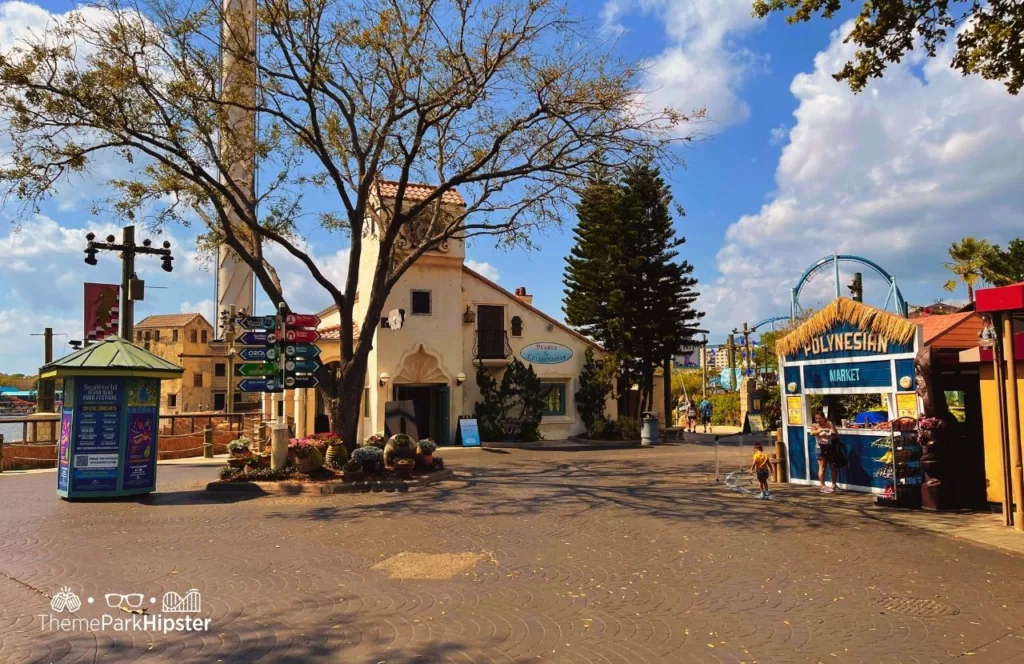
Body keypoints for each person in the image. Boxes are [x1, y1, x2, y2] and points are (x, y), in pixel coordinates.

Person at [808, 410, 840, 493]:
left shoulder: (829, 423)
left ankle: (834, 484)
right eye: (816, 418)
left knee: (833, 466)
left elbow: (836, 434)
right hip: (820, 447)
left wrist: (830, 433)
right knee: (822, 467)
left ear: (824, 418)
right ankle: (822, 485)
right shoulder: (815, 425)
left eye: (819, 418)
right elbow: (812, 433)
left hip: (830, 447)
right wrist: (821, 430)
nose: (818, 420)